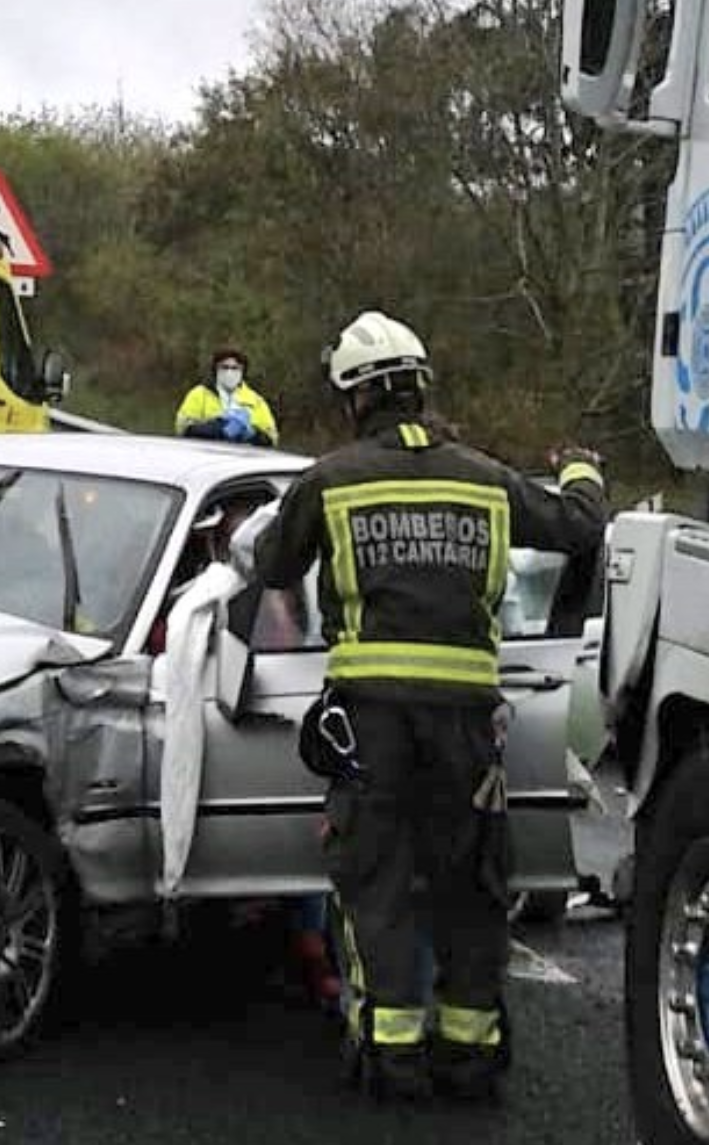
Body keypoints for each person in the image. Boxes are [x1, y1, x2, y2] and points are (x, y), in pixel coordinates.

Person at [252, 310, 607, 1102]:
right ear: (420, 387)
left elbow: (271, 565)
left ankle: (391, 1052)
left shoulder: (331, 480)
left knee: (373, 879)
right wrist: (583, 470)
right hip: (466, 727)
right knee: (471, 884)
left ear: (355, 398)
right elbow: (580, 527)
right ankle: (469, 1052)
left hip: (371, 724)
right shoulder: (485, 478)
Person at [175, 349, 278, 446]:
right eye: (224, 367)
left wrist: (252, 434)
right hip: (206, 453)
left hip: (241, 455)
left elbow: (272, 438)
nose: (229, 372)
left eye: (235, 368)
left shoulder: (256, 401)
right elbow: (182, 429)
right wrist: (218, 428)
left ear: (242, 371)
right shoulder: (199, 395)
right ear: (216, 370)